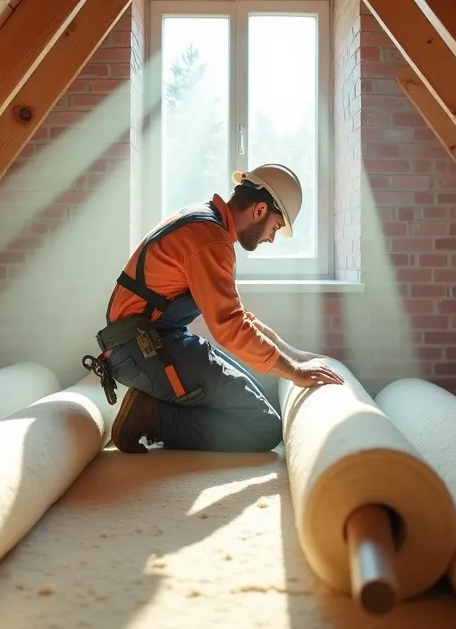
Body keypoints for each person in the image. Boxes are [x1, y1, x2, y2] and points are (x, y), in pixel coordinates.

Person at [84, 163, 345, 454]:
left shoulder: (204, 221)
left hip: (152, 341)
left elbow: (238, 316)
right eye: (275, 227)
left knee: (260, 402)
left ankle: (153, 407)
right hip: (139, 350)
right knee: (264, 428)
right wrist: (294, 372)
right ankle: (152, 417)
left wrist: (295, 356)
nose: (270, 238)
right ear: (259, 210)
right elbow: (230, 327)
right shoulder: (210, 239)